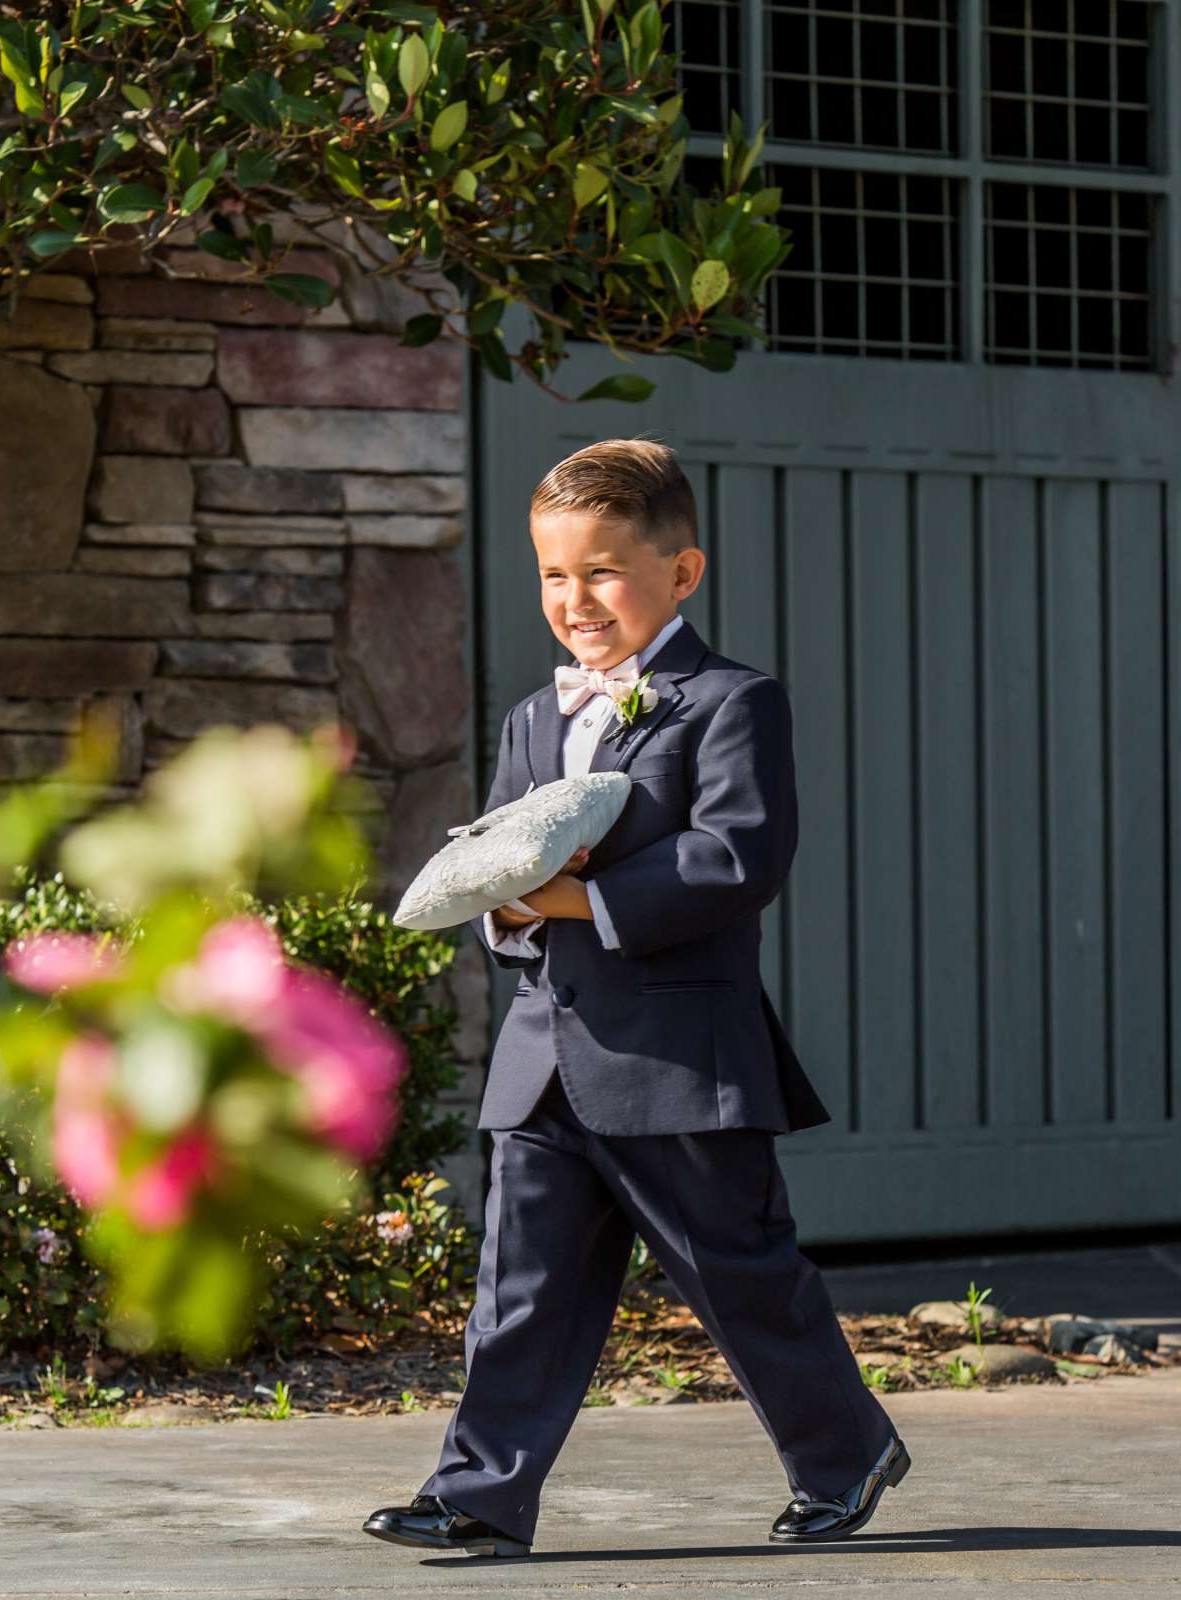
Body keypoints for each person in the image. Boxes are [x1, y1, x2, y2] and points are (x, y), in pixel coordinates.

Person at [361, 437, 906, 1558]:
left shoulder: (732, 703)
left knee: (737, 1277)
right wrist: (509, 908)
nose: (576, 598)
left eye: (603, 570)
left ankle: (845, 1453)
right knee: (521, 1289)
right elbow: (495, 864)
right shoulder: (532, 719)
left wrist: (568, 898)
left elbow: (734, 858)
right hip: (545, 1052)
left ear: (682, 573)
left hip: (677, 1064)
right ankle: (481, 1492)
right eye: (555, 575)